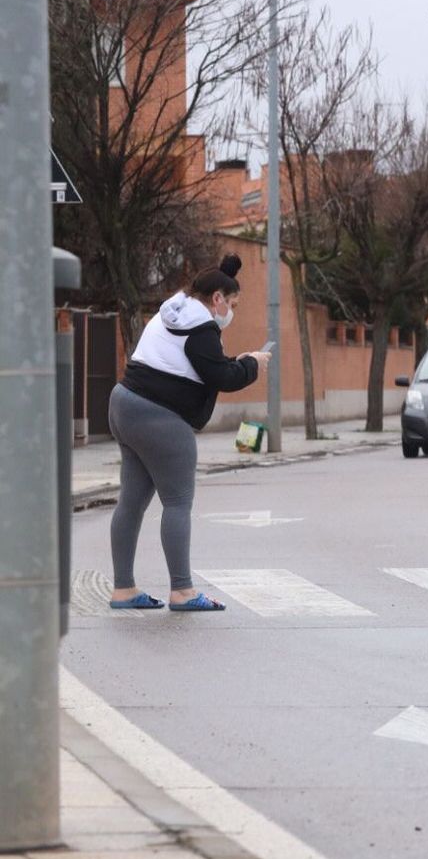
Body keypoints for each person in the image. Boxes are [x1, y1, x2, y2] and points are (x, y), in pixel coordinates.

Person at [106, 255, 272, 611]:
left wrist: (237, 361)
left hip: (123, 404)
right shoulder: (202, 328)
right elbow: (222, 378)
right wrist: (252, 365)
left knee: (131, 503)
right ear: (217, 299)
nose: (231, 312)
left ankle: (123, 588)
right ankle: (182, 590)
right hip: (161, 417)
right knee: (178, 502)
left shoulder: (172, 313)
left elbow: (201, 365)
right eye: (233, 304)